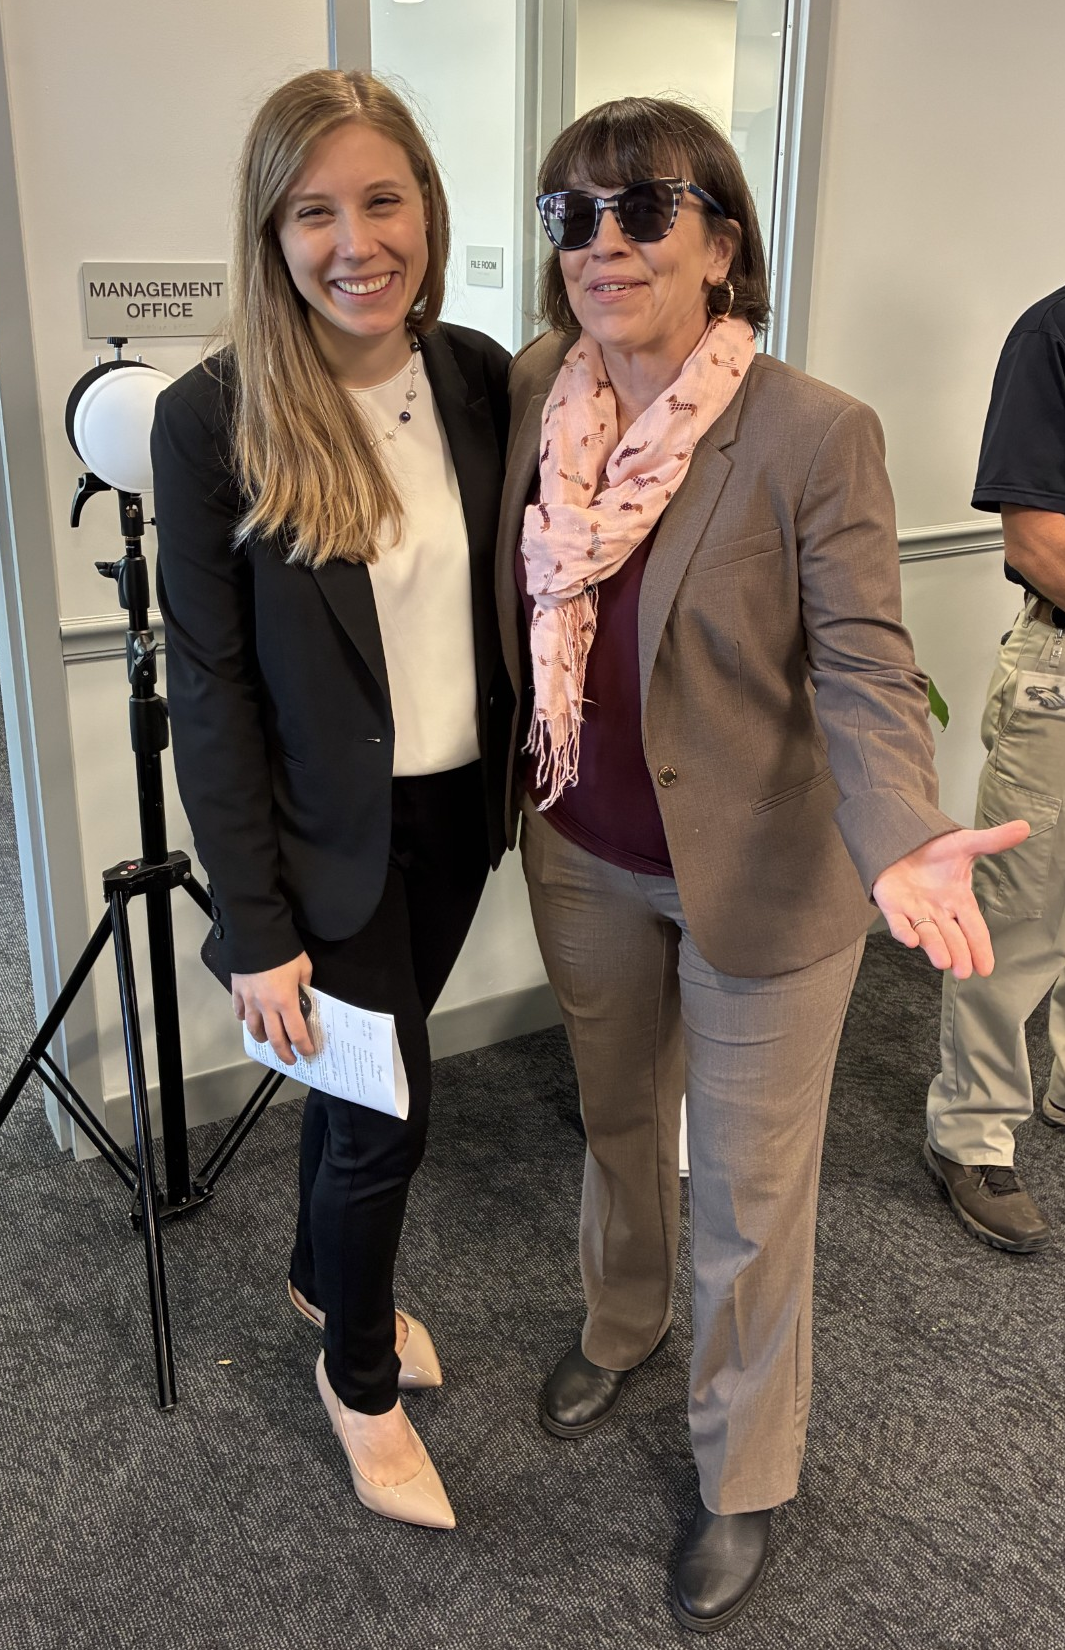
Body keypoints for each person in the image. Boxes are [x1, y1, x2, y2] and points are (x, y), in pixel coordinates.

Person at [495, 96, 1028, 1633]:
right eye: (570, 216)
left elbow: (864, 662)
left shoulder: (812, 430)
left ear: (721, 240)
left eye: (642, 209)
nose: (603, 244)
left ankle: (744, 1471)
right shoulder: (543, 393)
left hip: (768, 875)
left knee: (747, 1188)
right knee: (613, 1119)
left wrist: (904, 831)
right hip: (583, 842)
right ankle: (622, 1317)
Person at [151, 69, 512, 1530]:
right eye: (316, 211)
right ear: (272, 230)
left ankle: (314, 1274)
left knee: (357, 1091)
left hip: (451, 820)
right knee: (389, 1122)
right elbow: (210, 686)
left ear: (427, 203)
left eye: (383, 198)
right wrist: (253, 924)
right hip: (313, 850)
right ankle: (355, 1379)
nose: (356, 239)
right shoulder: (212, 415)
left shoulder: (483, 375)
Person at [924, 285, 1065, 1254]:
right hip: (1059, 668)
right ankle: (968, 1132)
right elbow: (1035, 538)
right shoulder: (1049, 336)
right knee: (1018, 914)